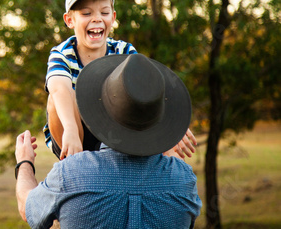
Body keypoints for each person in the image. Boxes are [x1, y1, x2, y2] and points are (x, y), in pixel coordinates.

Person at [15, 53, 202, 229]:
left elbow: (27, 208)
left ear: (98, 110)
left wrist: (25, 163)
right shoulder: (183, 181)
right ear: (159, 120)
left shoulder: (70, 175)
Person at [43, 0, 196, 160]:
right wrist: (70, 128)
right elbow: (59, 87)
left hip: (115, 128)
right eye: (86, 13)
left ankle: (167, 181)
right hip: (75, 130)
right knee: (55, 100)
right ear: (69, 20)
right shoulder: (62, 54)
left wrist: (172, 127)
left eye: (104, 12)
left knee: (170, 146)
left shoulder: (123, 51)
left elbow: (145, 89)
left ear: (113, 18)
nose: (97, 19)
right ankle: (77, 164)